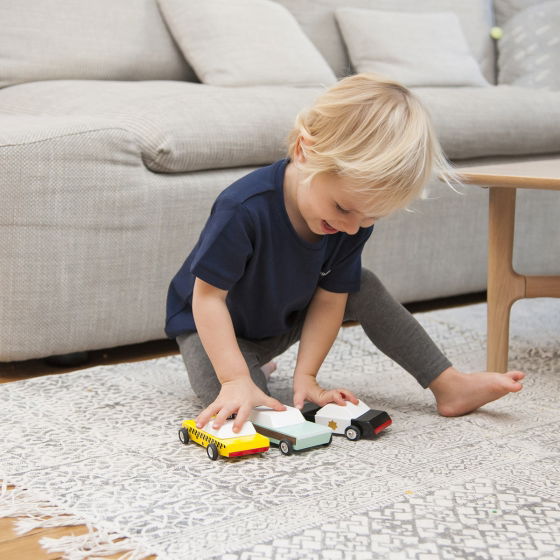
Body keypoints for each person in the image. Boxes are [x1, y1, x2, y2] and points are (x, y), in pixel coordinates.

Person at [165, 73, 525, 434]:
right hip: (209, 322)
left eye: (370, 217)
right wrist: (234, 377)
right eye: (344, 208)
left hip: (279, 319)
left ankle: (448, 384)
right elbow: (208, 297)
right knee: (238, 404)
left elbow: (330, 300)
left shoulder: (350, 221)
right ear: (305, 151)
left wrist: (306, 376)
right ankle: (249, 367)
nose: (354, 228)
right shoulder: (242, 208)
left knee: (361, 284)